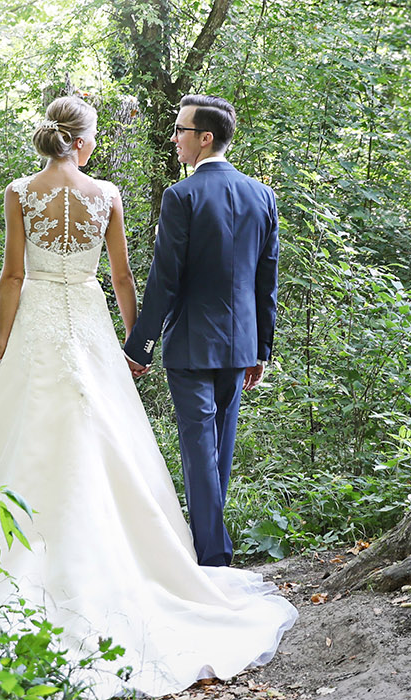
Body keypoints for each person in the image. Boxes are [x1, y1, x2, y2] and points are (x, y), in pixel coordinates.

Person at [0, 94, 294, 698]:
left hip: (43, 329)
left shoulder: (22, 191)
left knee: (36, 426)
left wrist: (2, 345)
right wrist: (142, 342)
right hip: (120, 326)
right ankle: (201, 555)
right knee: (142, 437)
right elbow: (130, 275)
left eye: (183, 130)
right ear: (83, 140)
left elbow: (15, 274)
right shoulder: (114, 193)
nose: (176, 137)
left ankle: (18, 550)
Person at [122, 94, 280, 570]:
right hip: (241, 344)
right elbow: (265, 281)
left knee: (199, 450)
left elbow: (164, 278)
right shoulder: (262, 195)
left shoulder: (181, 195)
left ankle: (212, 556)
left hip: (191, 343)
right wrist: (263, 348)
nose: (174, 139)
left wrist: (140, 346)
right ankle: (211, 545)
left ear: (204, 137)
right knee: (218, 448)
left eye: (180, 130)